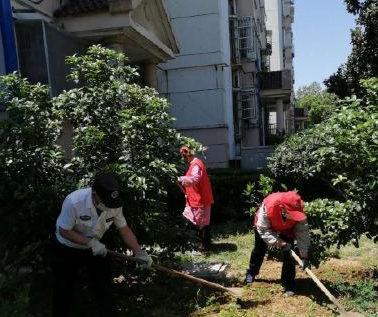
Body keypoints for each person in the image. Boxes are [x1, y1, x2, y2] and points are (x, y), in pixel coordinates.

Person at [51, 172, 153, 317]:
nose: (109, 207)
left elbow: (124, 229)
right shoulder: (74, 201)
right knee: (64, 288)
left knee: (104, 287)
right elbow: (64, 230)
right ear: (94, 194)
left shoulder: (114, 204)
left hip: (95, 247)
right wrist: (89, 242)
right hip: (67, 247)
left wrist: (139, 252)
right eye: (105, 202)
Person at [245, 191, 311, 296]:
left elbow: (302, 233)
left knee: (290, 253)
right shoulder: (268, 206)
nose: (294, 216)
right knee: (259, 249)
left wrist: (304, 256)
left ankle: (288, 284)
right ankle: (251, 272)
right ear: (282, 208)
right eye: (291, 213)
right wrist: (281, 243)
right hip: (266, 226)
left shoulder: (299, 209)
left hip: (287, 228)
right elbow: (263, 230)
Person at [177, 146, 214, 253]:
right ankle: (200, 244)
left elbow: (195, 179)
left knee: (202, 224)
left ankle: (204, 246)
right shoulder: (195, 164)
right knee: (192, 220)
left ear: (186, 156)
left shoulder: (196, 164)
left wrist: (180, 179)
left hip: (200, 199)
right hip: (195, 199)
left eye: (184, 157)